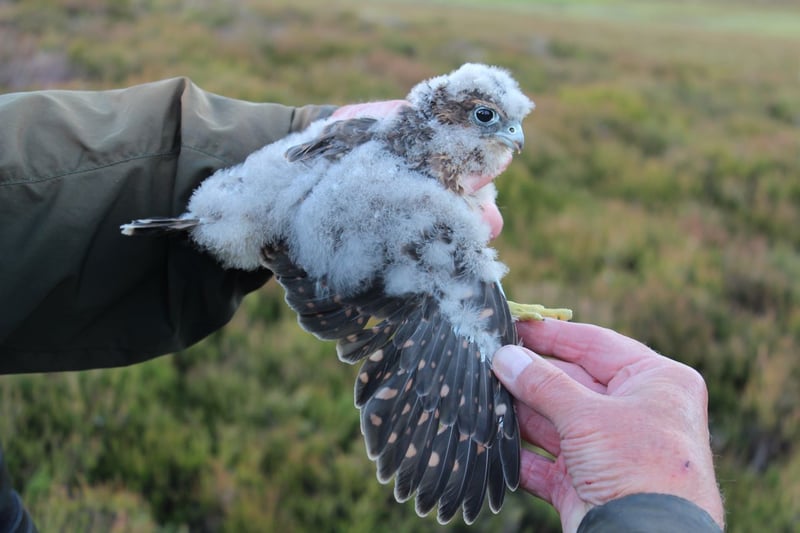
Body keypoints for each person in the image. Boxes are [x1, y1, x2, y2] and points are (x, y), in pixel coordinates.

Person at [0, 80, 724, 532]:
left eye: (506, 124)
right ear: (444, 115)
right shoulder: (419, 212)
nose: (508, 140)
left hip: (213, 212)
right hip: (248, 218)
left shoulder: (377, 153)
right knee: (465, 289)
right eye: (486, 118)